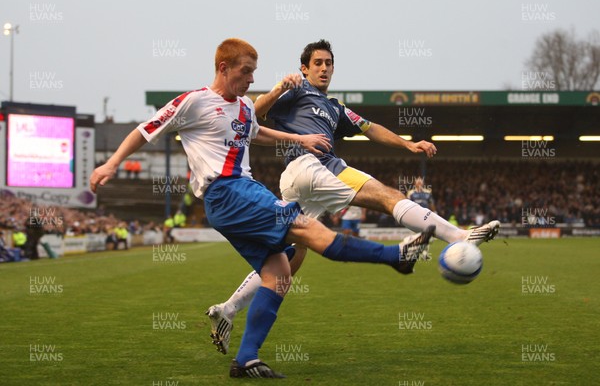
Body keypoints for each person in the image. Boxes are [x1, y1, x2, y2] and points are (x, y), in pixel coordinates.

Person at [89, 38, 435, 379]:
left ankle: (246, 359)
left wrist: (300, 139)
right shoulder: (193, 102)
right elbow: (145, 130)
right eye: (247, 72)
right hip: (228, 191)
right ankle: (395, 257)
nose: (252, 80)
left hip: (238, 195)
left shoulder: (242, 107)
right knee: (307, 231)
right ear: (224, 68)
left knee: (280, 272)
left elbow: (258, 133)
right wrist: (111, 164)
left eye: (254, 72)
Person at [206, 39, 501, 354]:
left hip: (299, 180)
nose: (324, 68)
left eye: (328, 63)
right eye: (317, 63)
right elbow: (255, 113)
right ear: (304, 68)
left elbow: (370, 128)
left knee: (289, 259)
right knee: (385, 195)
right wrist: (280, 87)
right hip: (312, 165)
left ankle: (228, 309)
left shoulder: (335, 107)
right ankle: (460, 237)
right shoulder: (296, 91)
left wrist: (408, 144)